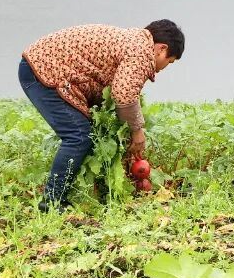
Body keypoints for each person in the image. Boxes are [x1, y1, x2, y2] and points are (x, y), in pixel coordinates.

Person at [19, 20, 184, 211]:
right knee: (78, 135)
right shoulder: (140, 52)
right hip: (43, 71)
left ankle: (64, 196)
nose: (163, 68)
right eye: (169, 61)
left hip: (43, 67)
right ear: (161, 49)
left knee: (83, 132)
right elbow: (124, 95)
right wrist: (137, 132)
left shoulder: (134, 42)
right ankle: (52, 202)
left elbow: (115, 92)